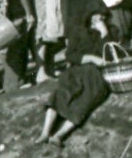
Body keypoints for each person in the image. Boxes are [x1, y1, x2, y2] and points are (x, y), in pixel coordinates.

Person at [41, 10, 113, 147]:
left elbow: (109, 54)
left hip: (95, 75)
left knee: (84, 102)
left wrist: (104, 34)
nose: (100, 18)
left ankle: (59, 135)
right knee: (61, 94)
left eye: (103, 15)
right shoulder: (79, 32)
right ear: (90, 16)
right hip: (76, 71)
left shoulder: (110, 32)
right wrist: (90, 58)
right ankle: (45, 132)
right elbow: (70, 55)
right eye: (97, 14)